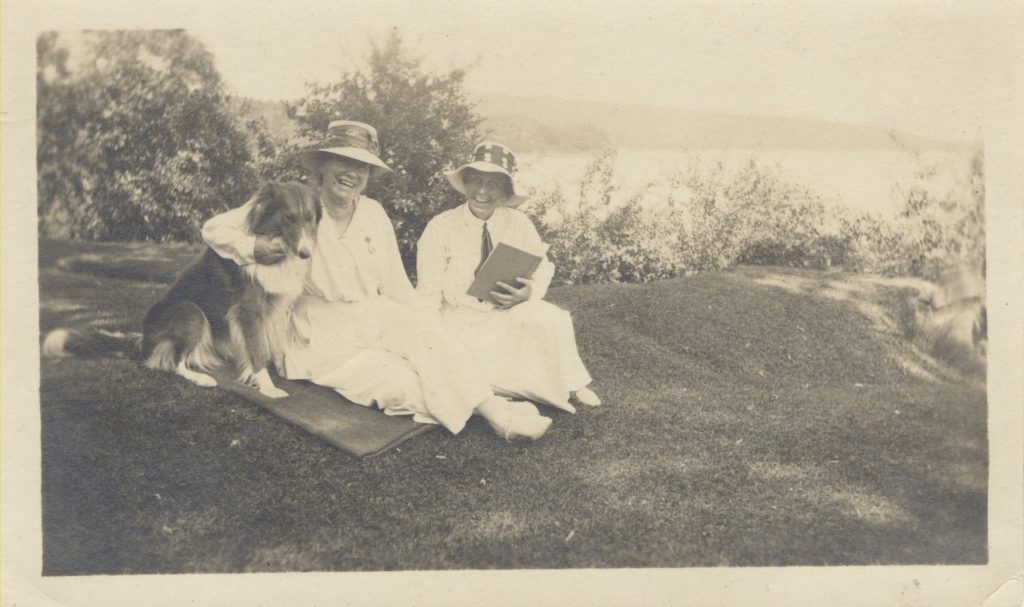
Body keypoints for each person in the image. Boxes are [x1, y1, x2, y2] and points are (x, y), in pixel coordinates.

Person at [201, 121, 552, 440]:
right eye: (343, 162)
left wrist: (428, 327)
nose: (351, 174)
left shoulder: (373, 213)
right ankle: (494, 411)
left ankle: (494, 411)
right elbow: (214, 229)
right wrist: (254, 245)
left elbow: (397, 285)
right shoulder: (301, 207)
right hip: (320, 334)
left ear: (368, 174)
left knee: (430, 342)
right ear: (323, 165)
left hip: (375, 313)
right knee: (395, 380)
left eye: (362, 167)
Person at [416, 141, 601, 413]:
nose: (482, 191)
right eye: (476, 181)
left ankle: (572, 383)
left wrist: (528, 293)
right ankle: (505, 384)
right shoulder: (441, 226)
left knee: (550, 317)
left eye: (492, 184)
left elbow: (540, 267)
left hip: (502, 315)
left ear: (504, 191)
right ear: (465, 183)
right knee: (464, 368)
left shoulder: (517, 222)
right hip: (458, 320)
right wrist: (427, 342)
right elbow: (428, 292)